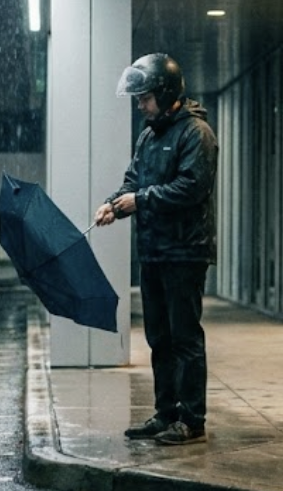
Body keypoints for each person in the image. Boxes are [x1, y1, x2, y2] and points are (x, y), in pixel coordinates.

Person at [93, 52, 218, 446]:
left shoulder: (196, 133)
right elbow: (133, 180)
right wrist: (113, 204)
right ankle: (166, 414)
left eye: (145, 97)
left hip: (185, 252)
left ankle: (192, 419)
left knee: (184, 338)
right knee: (159, 339)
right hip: (153, 252)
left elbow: (191, 188)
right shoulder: (149, 135)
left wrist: (140, 200)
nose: (140, 104)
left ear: (166, 94)